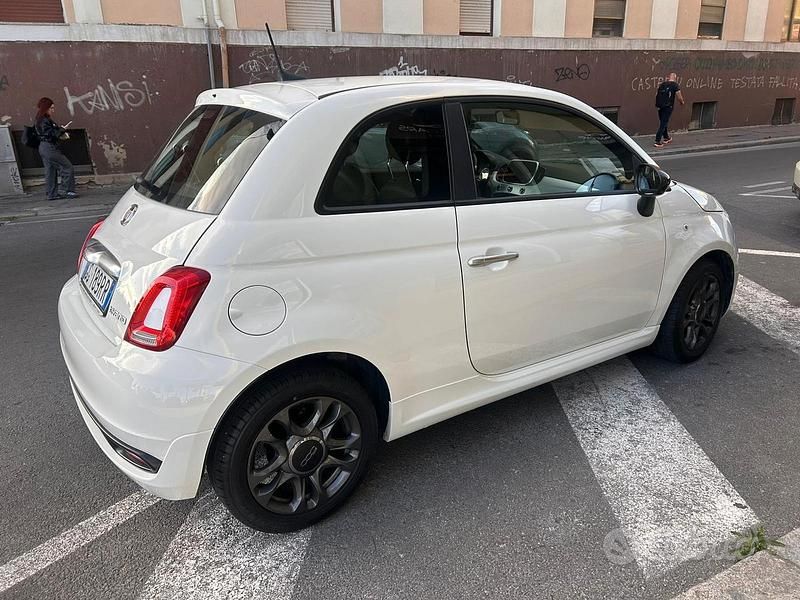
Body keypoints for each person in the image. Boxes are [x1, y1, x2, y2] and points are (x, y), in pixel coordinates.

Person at [34, 97, 79, 201]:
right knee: (67, 167)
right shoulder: (44, 120)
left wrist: (60, 130)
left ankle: (52, 194)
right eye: (51, 108)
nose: (53, 110)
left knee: (50, 170)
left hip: (44, 147)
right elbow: (51, 135)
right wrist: (63, 129)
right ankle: (68, 190)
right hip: (49, 147)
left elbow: (50, 132)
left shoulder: (41, 119)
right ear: (46, 108)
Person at [654, 73, 685, 148]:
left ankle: (666, 137)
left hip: (660, 106)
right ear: (675, 78)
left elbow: (656, 95)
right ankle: (657, 141)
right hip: (668, 106)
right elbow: (679, 96)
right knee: (663, 123)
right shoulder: (675, 85)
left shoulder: (662, 84)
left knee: (663, 121)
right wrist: (682, 102)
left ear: (668, 77)